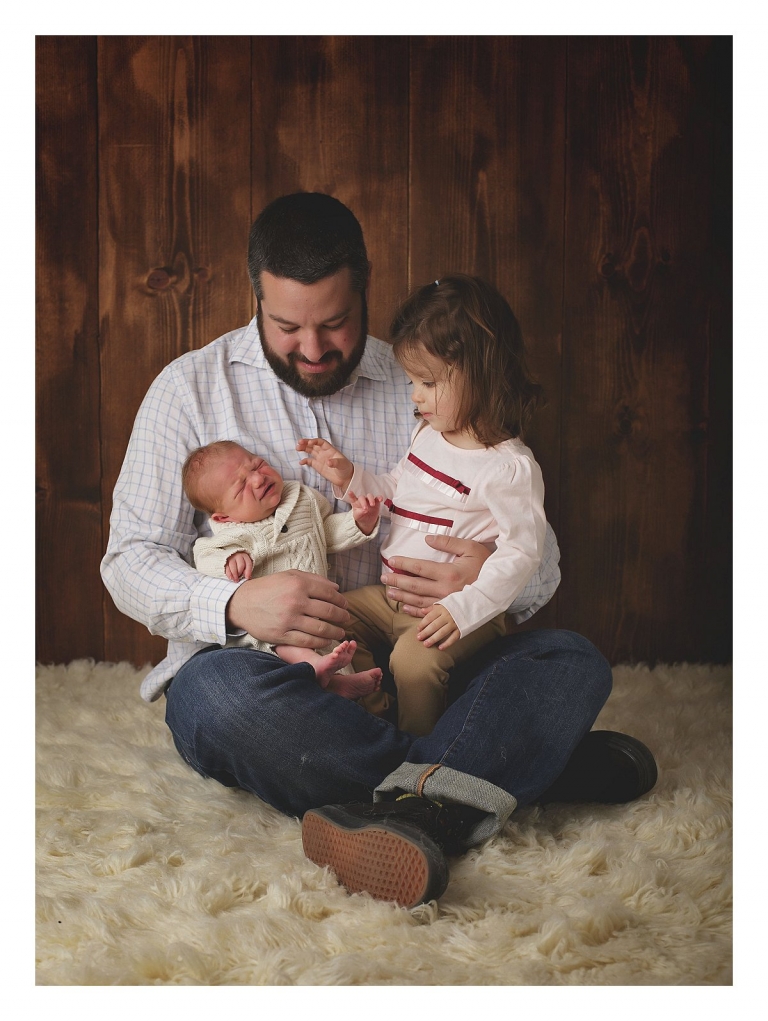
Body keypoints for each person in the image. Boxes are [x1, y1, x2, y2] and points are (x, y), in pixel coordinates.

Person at [101, 191, 657, 911]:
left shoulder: (425, 380)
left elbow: (536, 551)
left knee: (569, 661)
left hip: (427, 649)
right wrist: (233, 602)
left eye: (333, 323)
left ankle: (416, 805)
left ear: (366, 289)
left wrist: (485, 572)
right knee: (216, 699)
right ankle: (493, 773)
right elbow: (129, 558)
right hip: (286, 679)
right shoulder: (188, 390)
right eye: (287, 326)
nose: (311, 347)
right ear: (256, 299)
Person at [297, 273, 548, 737]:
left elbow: (522, 554)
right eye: (413, 381)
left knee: (414, 664)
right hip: (391, 595)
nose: (415, 396)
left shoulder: (509, 468)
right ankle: (379, 725)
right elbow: (398, 489)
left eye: (428, 382)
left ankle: (420, 758)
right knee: (332, 620)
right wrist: (351, 478)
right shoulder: (428, 434)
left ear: (482, 372)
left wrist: (465, 608)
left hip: (456, 609)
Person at [183, 438, 385, 700]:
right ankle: (320, 672)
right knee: (289, 645)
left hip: (316, 620)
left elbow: (325, 534)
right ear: (224, 517)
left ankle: (339, 684)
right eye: (241, 486)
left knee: (332, 651)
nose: (257, 479)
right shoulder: (233, 533)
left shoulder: (302, 500)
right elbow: (204, 555)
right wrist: (230, 557)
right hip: (266, 630)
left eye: (257, 465)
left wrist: (358, 523)